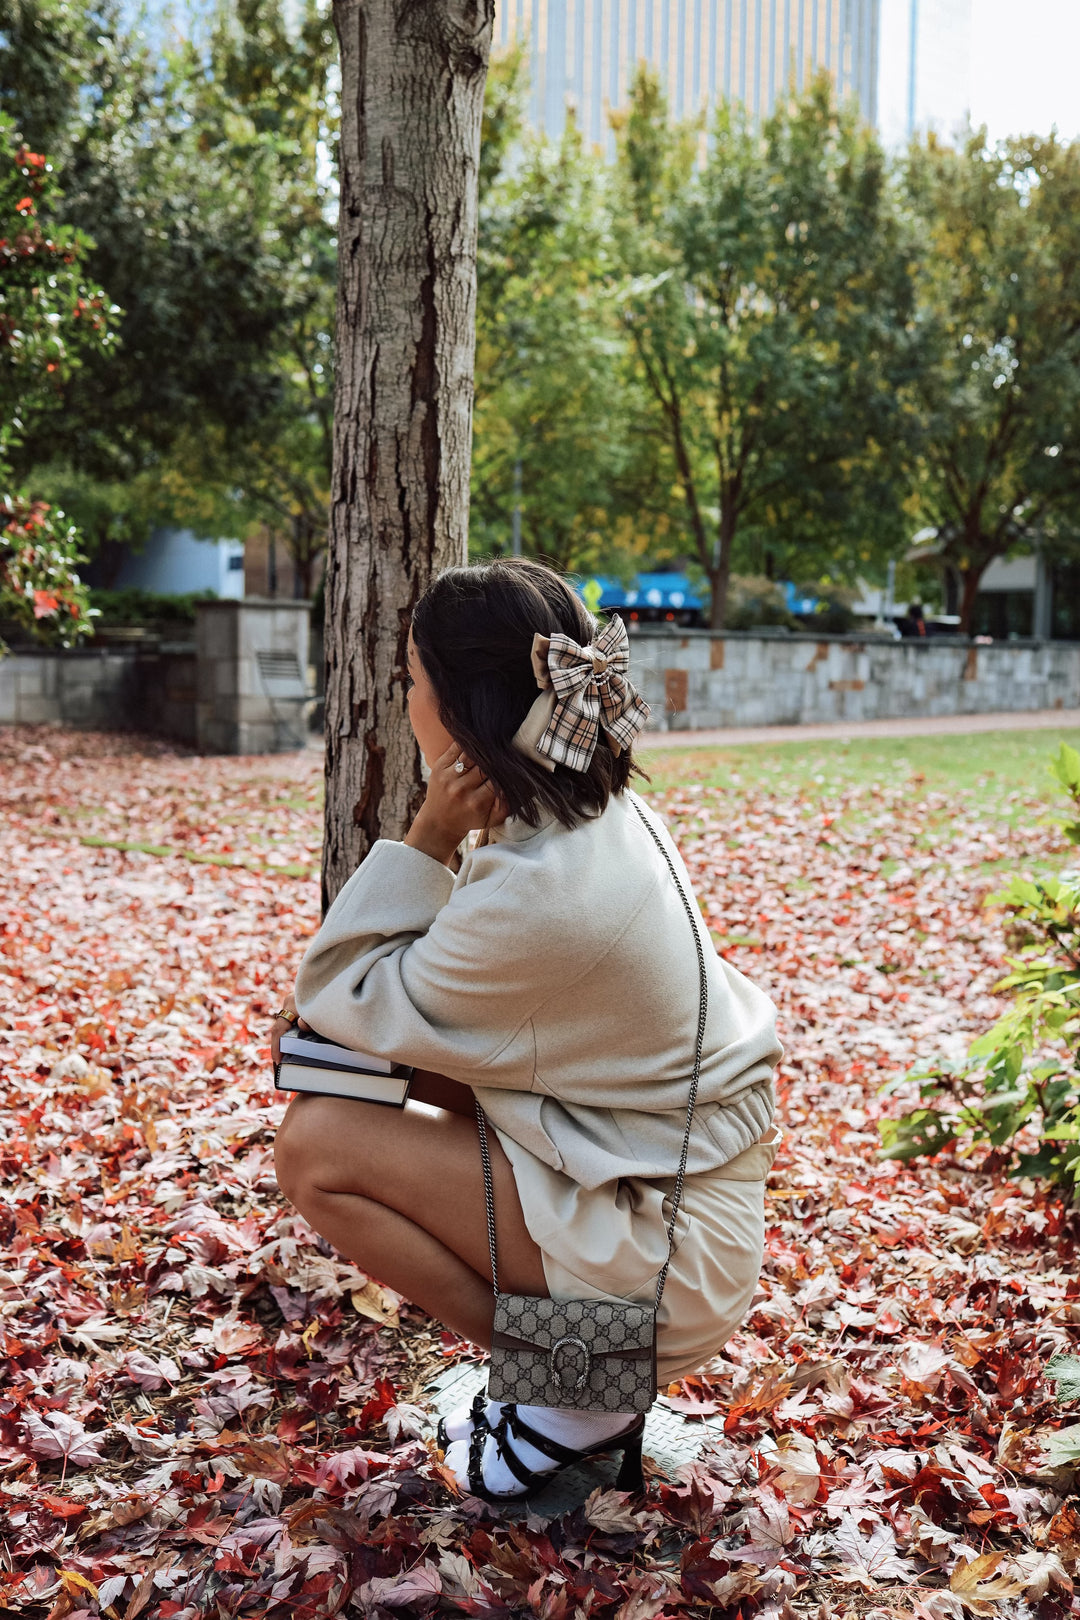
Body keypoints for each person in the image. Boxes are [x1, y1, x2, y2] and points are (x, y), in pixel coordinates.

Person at [271, 559, 782, 1503]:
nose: (404, 698)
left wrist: (424, 837)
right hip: (659, 1185)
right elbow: (384, 1030)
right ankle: (577, 1374)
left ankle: (580, 1389)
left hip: (666, 1255)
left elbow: (336, 990)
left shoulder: (542, 893)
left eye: (412, 681)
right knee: (367, 1081)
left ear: (462, 710)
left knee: (315, 1146)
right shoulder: (590, 816)